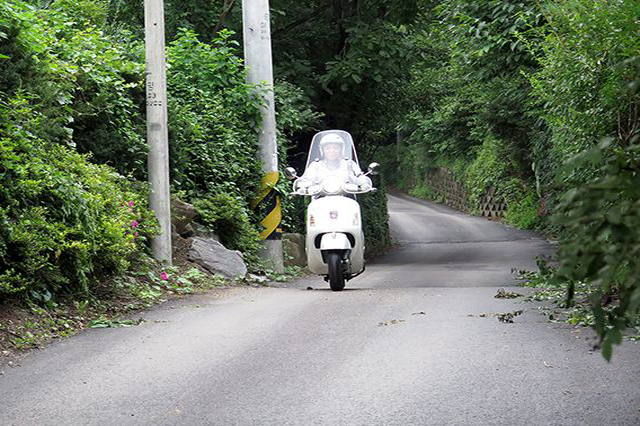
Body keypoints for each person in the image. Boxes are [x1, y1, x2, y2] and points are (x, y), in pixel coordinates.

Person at [298, 133, 372, 191]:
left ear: (341, 150)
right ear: (322, 150)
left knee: (354, 208)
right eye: (327, 148)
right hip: (320, 197)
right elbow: (307, 179)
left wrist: (364, 183)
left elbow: (359, 176)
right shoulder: (315, 165)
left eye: (336, 148)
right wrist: (302, 185)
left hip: (347, 197)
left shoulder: (349, 164)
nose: (331, 151)